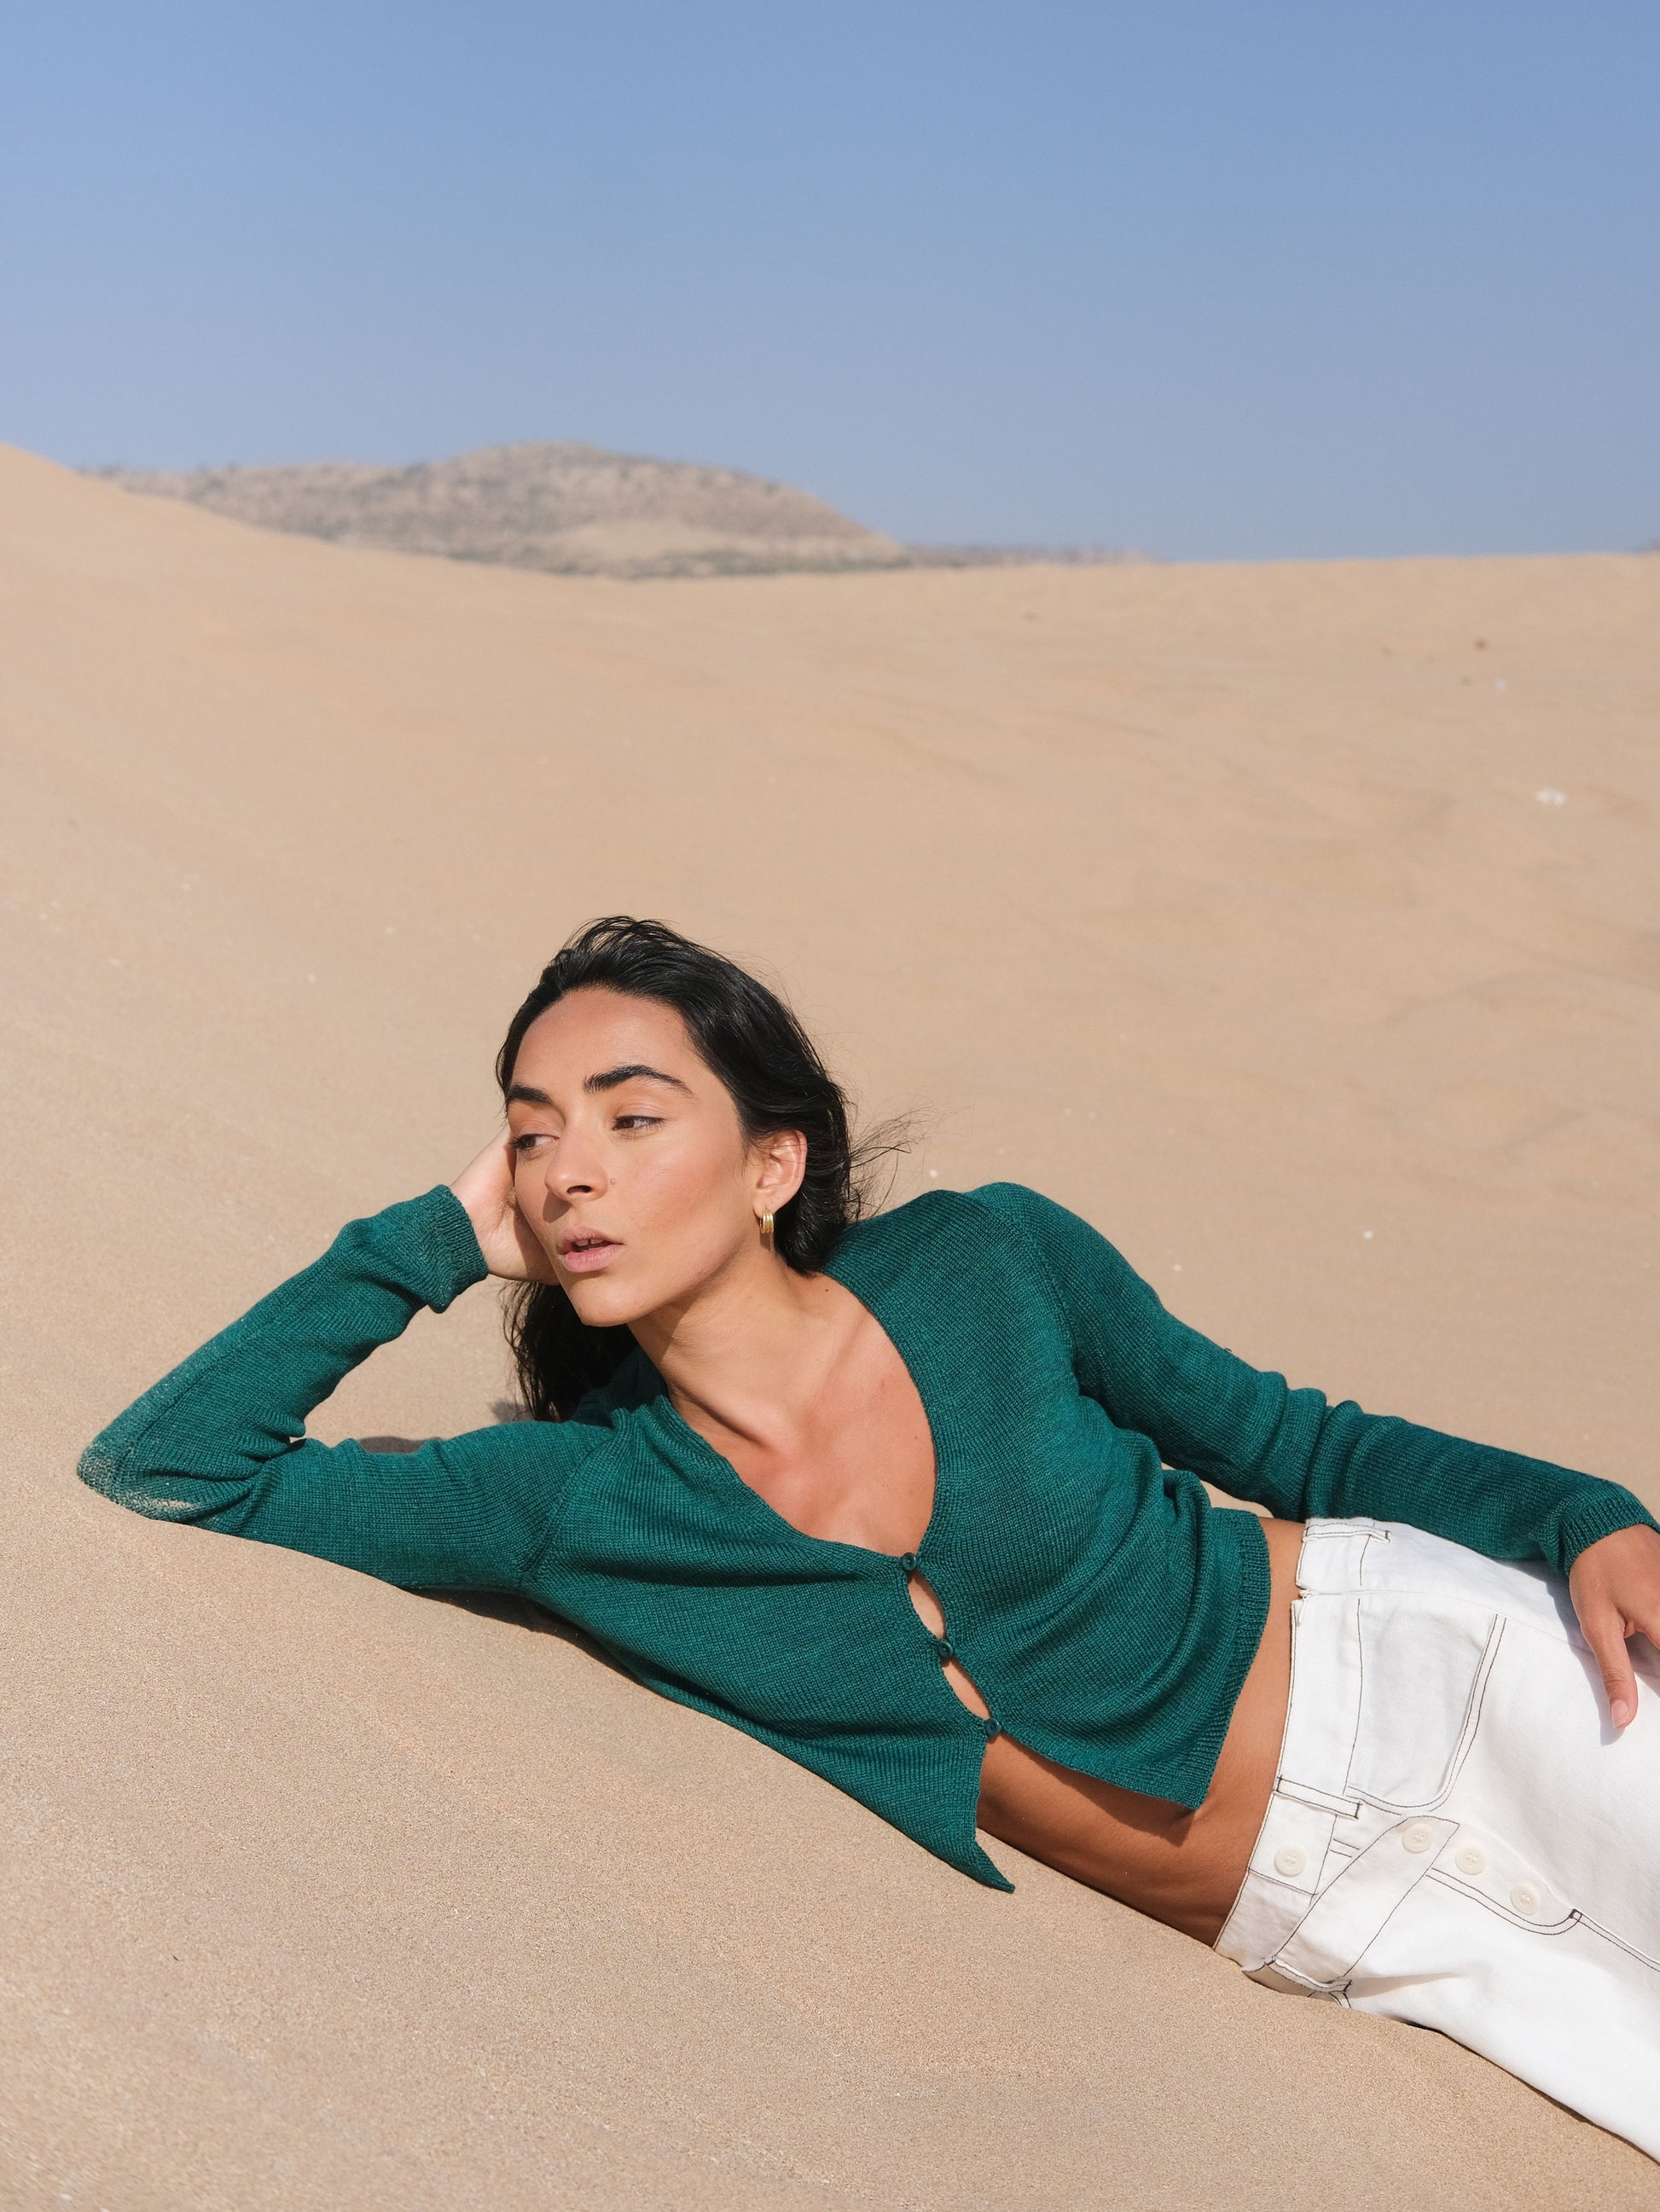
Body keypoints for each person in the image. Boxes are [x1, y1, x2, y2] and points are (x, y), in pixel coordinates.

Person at [79, 917, 1660, 2155]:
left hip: (1462, 1685)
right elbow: (176, 1467)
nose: (572, 1172)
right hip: (1355, 1928)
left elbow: (1299, 1444)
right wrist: (429, 1239)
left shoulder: (985, 1261)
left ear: (770, 1162)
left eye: (633, 1118)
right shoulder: (572, 1500)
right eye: (533, 1134)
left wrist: (1581, 1519)